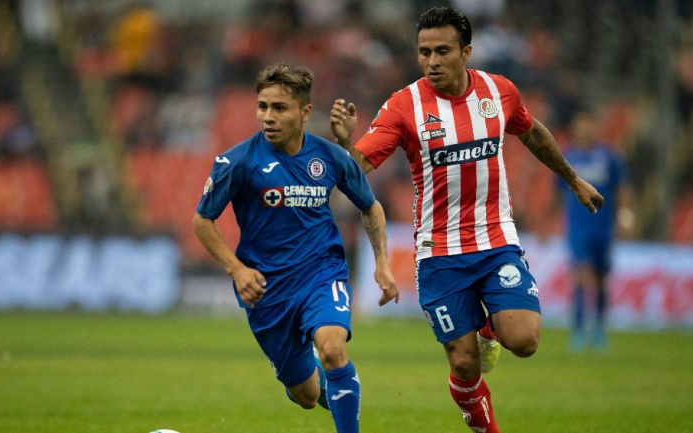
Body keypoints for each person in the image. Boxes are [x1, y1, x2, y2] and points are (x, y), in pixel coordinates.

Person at [329, 7, 603, 433]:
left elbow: (531, 131)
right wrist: (345, 145)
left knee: (525, 340)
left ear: (466, 52)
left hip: (495, 240)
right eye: (424, 52)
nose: (432, 62)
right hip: (438, 252)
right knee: (462, 359)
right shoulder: (405, 106)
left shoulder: (499, 92)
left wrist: (573, 180)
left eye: (442, 51)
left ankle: (490, 329)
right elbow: (355, 167)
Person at [192, 63, 399, 433]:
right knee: (305, 394)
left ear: (305, 113)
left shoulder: (330, 157)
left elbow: (371, 206)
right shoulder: (236, 162)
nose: (268, 117)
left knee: (334, 347)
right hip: (267, 290)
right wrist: (237, 270)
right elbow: (201, 220)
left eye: (279, 108)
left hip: (321, 272)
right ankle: (313, 376)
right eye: (262, 107)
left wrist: (381, 264)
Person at [561, 109, 633, 352]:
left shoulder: (610, 157)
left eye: (588, 125)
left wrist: (625, 216)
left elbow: (622, 189)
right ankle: (579, 331)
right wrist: (545, 221)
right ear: (575, 129)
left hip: (603, 228)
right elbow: (556, 191)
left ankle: (600, 329)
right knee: (580, 277)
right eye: (580, 126)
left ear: (595, 128)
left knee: (601, 280)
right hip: (578, 228)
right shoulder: (567, 157)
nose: (584, 131)